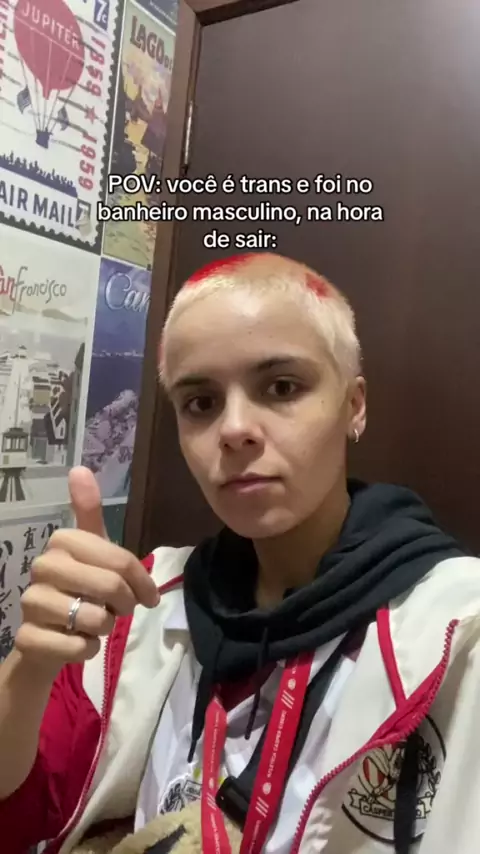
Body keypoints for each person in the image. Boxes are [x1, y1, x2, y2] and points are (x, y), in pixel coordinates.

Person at [0, 252, 479, 854]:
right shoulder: (145, 602)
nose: (233, 429)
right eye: (200, 402)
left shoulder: (455, 631)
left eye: (282, 387)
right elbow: (18, 814)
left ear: (354, 405)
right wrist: (31, 664)